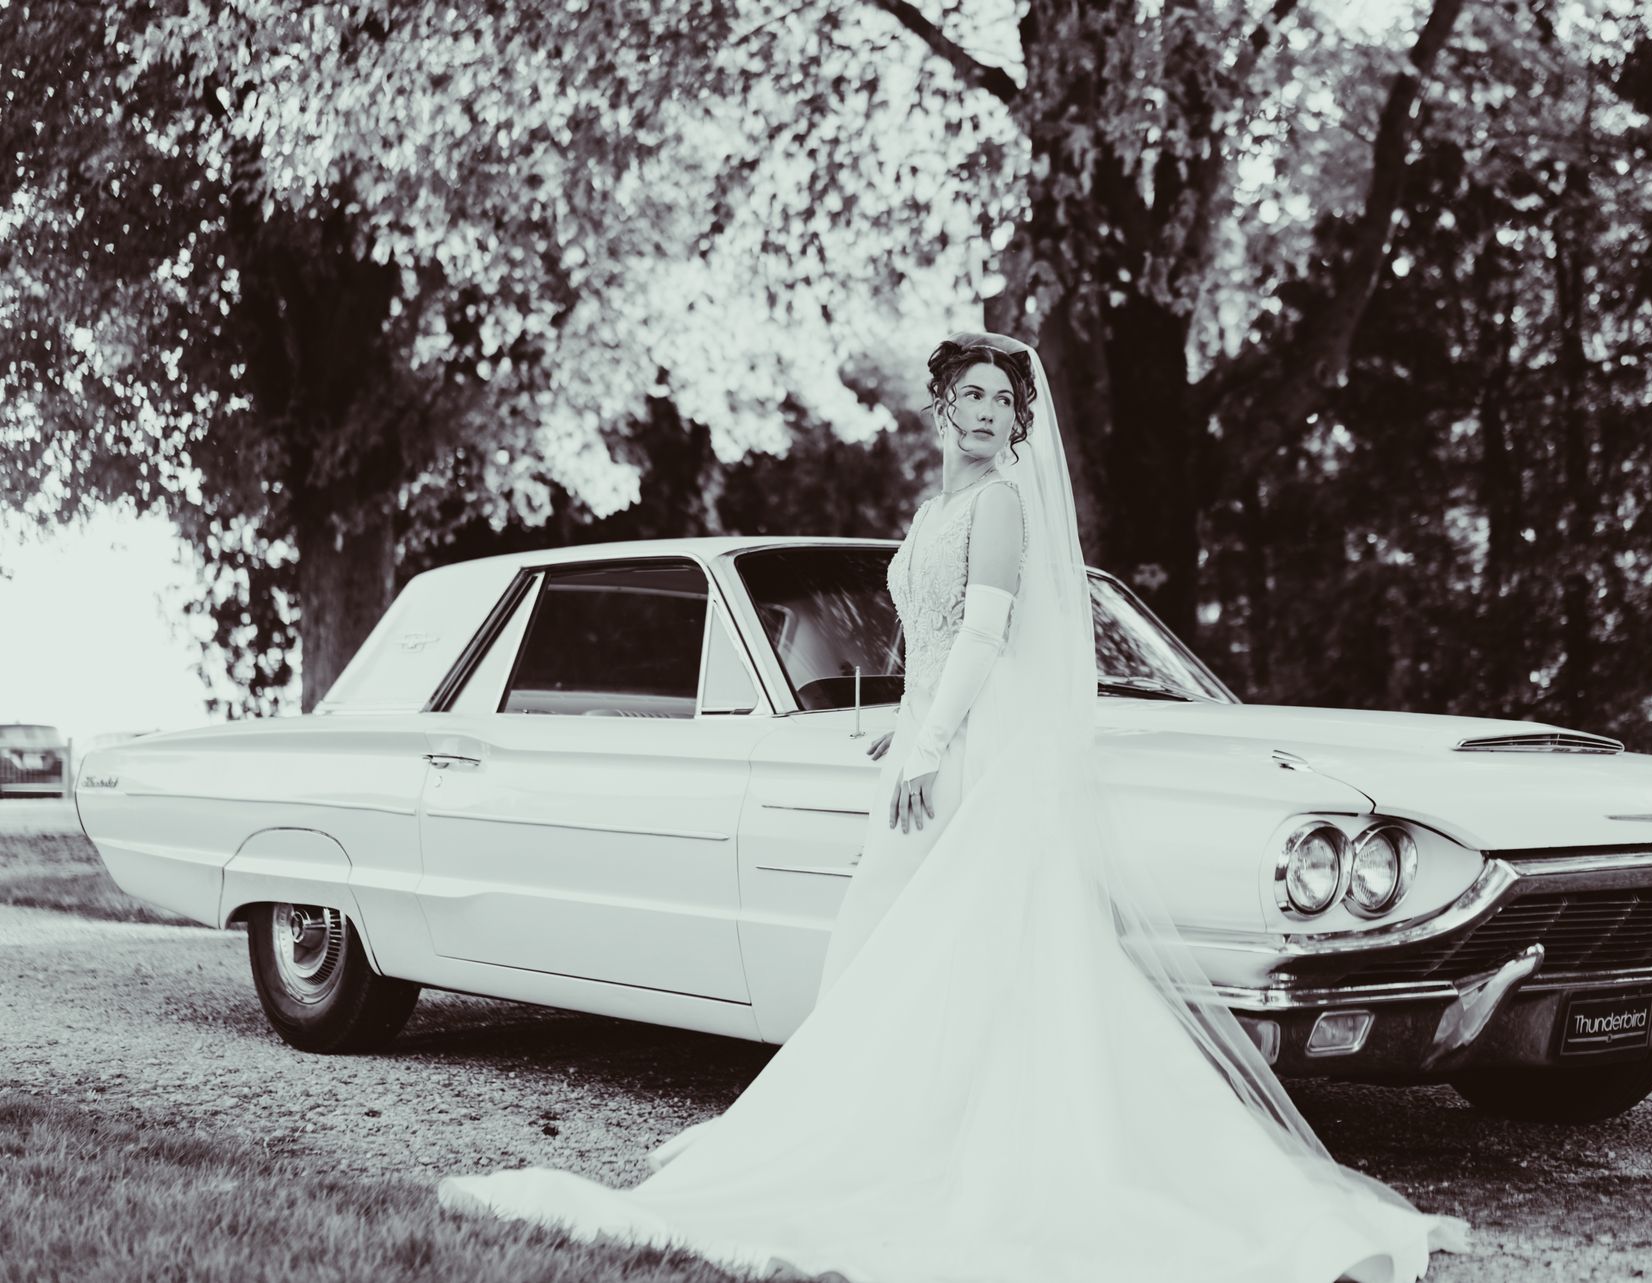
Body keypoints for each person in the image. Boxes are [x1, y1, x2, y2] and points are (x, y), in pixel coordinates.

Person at [438, 333, 1470, 1283]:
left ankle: (964, 1153)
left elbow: (986, 637)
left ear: (1022, 420)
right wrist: (912, 722)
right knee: (899, 948)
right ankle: (887, 1133)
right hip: (935, 742)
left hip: (974, 766)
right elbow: (936, 648)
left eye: (1003, 397)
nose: (987, 409)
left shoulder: (1004, 506)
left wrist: (932, 744)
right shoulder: (935, 511)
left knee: (950, 952)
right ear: (941, 405)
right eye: (970, 392)